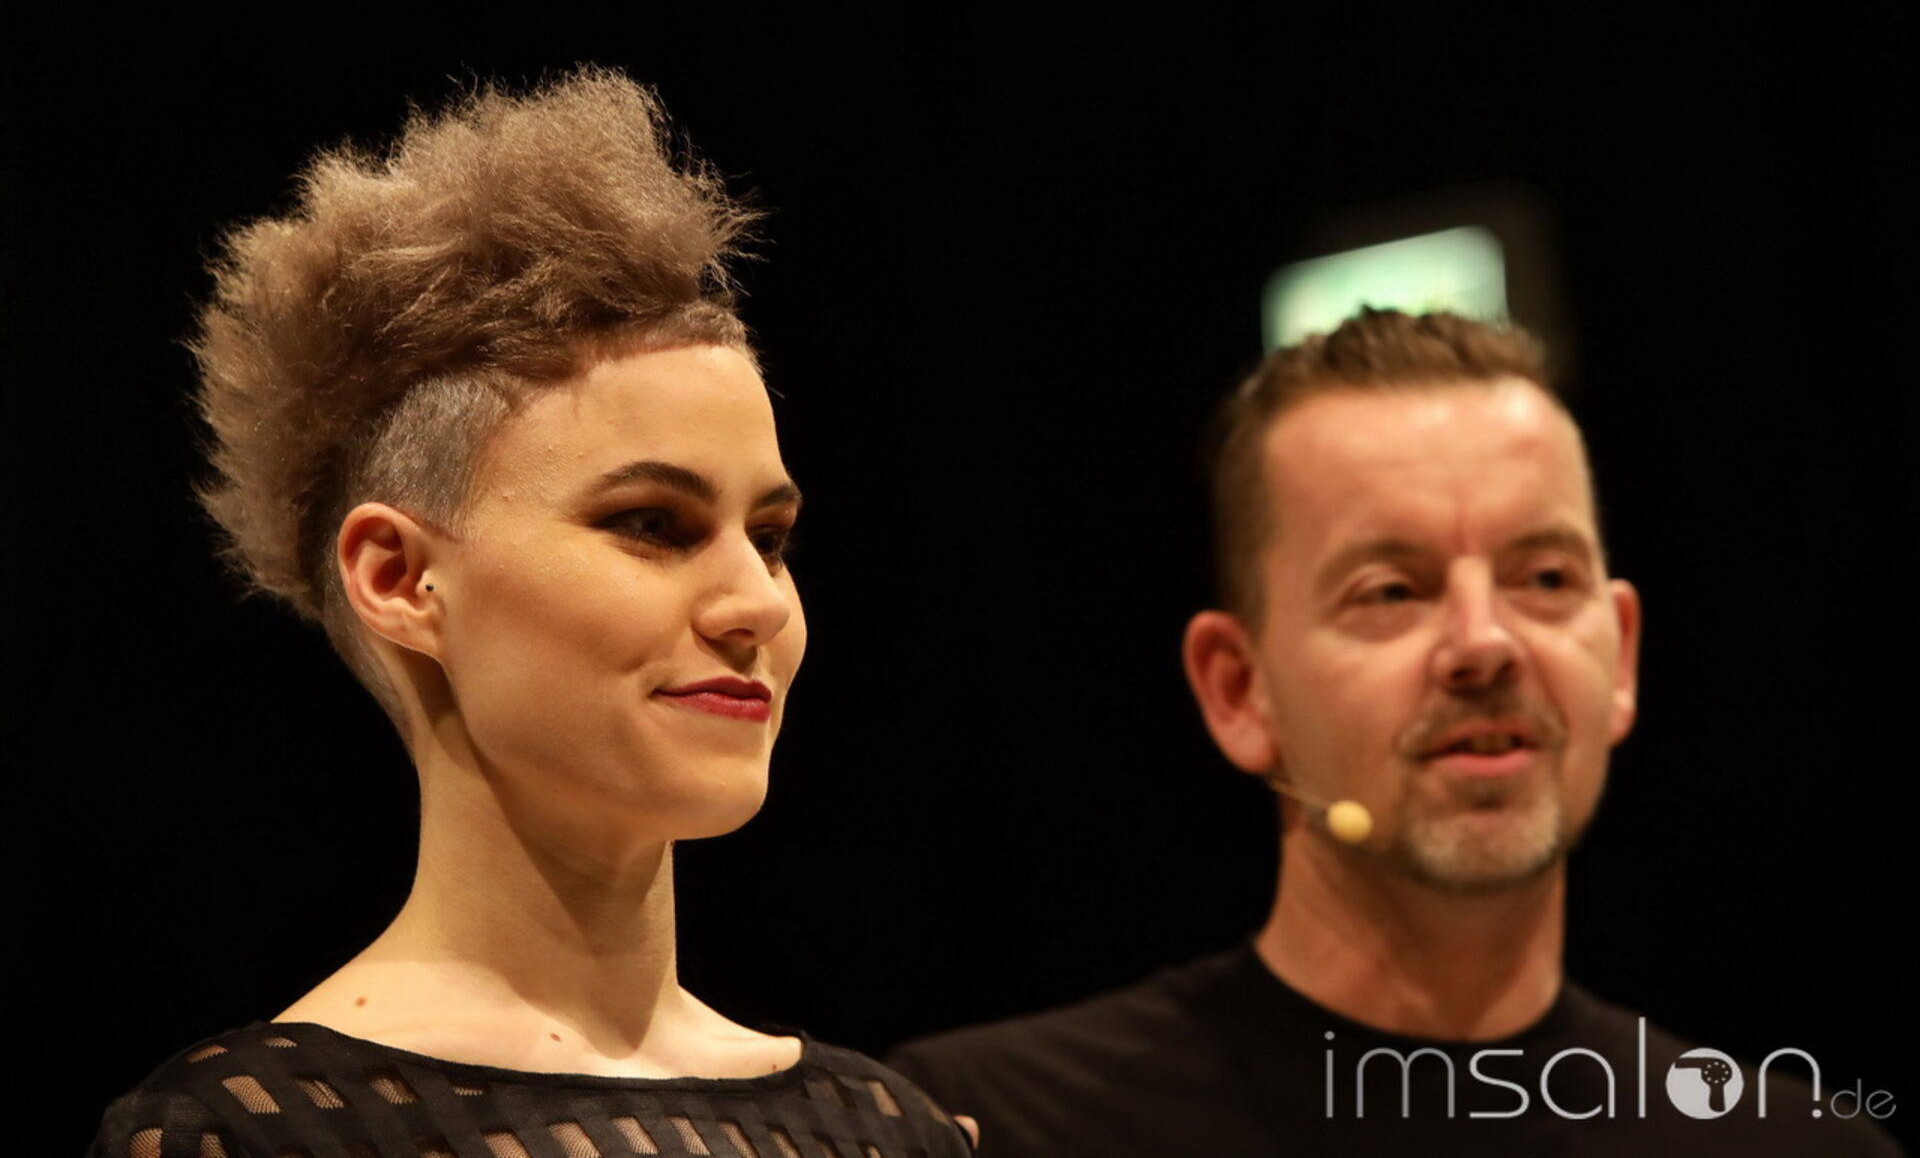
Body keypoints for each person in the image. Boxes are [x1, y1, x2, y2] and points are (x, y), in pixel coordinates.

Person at [90, 70, 972, 1158]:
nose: (756, 602)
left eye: (772, 537)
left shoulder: (890, 1129)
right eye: (652, 523)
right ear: (398, 577)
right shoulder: (245, 1135)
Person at [888, 309, 1898, 1155]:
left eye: (1545, 577)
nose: (1484, 643)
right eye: (1392, 591)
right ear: (1239, 689)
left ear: (1622, 653)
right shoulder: (991, 1126)